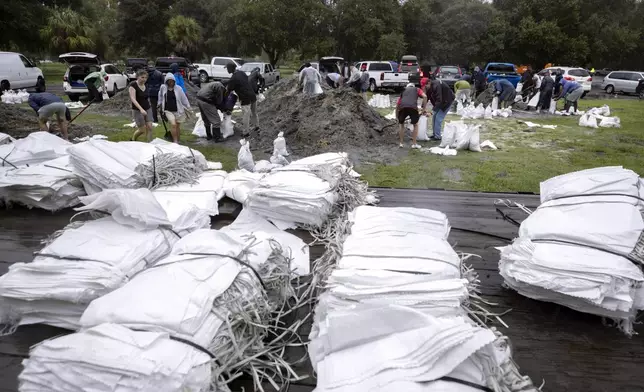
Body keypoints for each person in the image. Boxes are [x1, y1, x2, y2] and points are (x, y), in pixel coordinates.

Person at [158, 73, 191, 143]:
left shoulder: (178, 88)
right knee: (173, 124)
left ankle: (178, 141)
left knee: (177, 126)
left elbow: (184, 98)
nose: (171, 82)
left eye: (172, 81)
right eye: (169, 81)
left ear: (174, 81)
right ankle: (175, 141)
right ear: (166, 81)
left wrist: (188, 106)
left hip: (178, 110)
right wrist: (159, 104)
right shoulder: (163, 87)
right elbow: (160, 96)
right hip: (167, 110)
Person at [226, 62, 258, 136]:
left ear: (230, 69)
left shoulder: (233, 78)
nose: (227, 70)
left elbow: (229, 90)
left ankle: (246, 132)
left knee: (246, 115)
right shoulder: (242, 73)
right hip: (252, 95)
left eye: (227, 68)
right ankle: (257, 127)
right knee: (254, 113)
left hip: (245, 98)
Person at [396, 83, 428, 149]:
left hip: (402, 107)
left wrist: (397, 116)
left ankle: (401, 143)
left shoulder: (403, 91)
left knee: (401, 124)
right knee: (415, 124)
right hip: (412, 107)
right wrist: (423, 109)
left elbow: (397, 105)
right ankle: (414, 144)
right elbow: (425, 96)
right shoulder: (417, 89)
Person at [128, 69, 154, 142]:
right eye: (142, 77)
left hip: (147, 108)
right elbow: (133, 99)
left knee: (150, 127)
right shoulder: (133, 85)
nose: (144, 79)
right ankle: (133, 139)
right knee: (142, 130)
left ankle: (149, 144)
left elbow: (146, 97)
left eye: (145, 77)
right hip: (137, 110)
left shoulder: (146, 85)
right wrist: (141, 109)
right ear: (137, 77)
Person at [427, 76, 455, 140]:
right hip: (442, 102)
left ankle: (437, 136)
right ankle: (435, 134)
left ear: (429, 83)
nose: (424, 87)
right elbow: (427, 97)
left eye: (425, 86)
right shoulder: (430, 86)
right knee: (434, 117)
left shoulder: (436, 85)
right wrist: (423, 107)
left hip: (447, 102)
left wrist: (432, 111)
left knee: (438, 118)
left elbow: (439, 100)